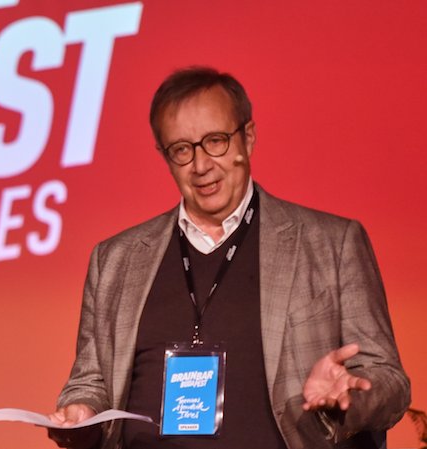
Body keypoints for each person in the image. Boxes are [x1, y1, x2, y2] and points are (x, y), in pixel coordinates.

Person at [47, 67, 410, 449]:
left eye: (215, 141)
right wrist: (82, 411)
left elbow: (389, 380)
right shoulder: (115, 260)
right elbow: (90, 382)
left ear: (247, 138)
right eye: (182, 149)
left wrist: (351, 396)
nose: (201, 165)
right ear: (165, 156)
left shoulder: (330, 244)